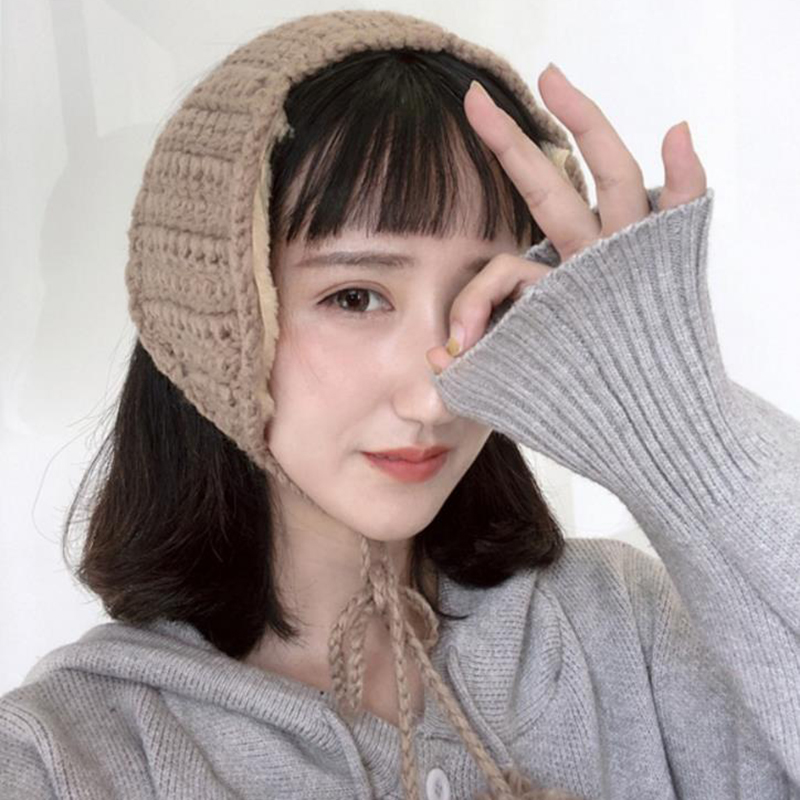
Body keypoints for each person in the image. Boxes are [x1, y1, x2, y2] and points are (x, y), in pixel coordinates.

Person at [1, 8, 798, 799]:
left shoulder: (627, 628)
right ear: (215, 317)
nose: (435, 394)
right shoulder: (63, 760)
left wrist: (686, 431)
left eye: (489, 300)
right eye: (355, 297)